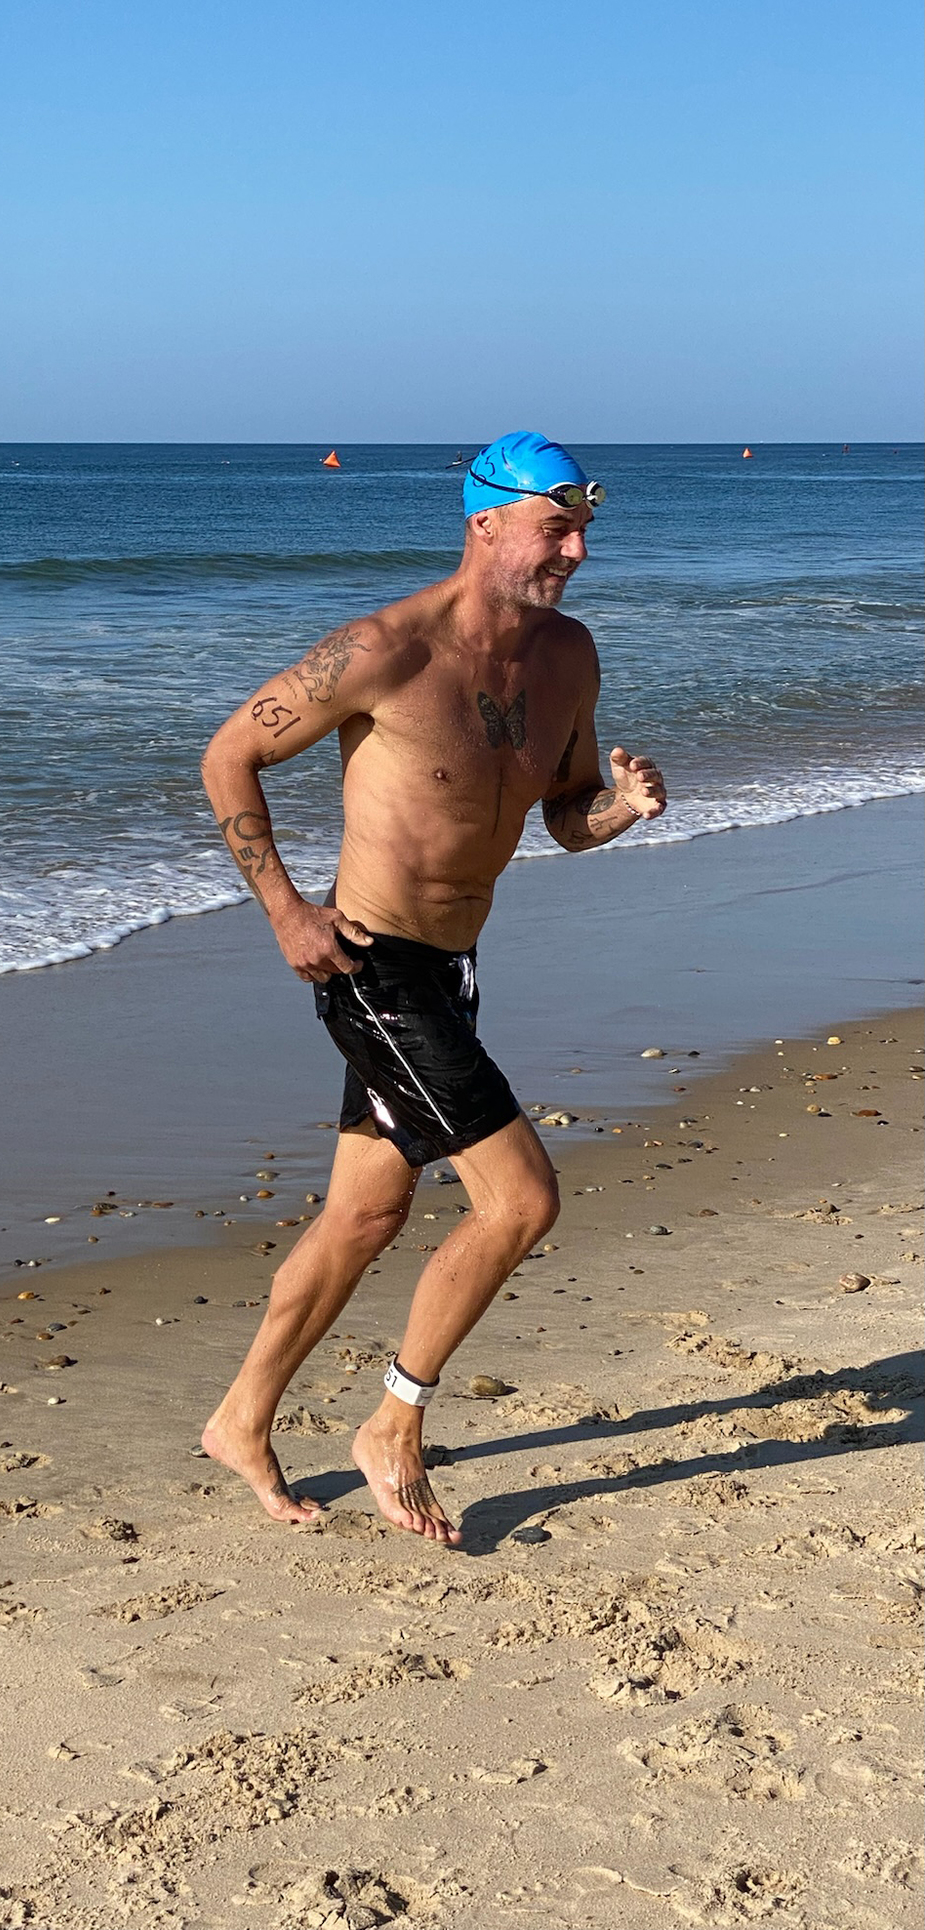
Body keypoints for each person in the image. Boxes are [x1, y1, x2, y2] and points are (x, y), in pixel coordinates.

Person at [199, 432, 666, 1542]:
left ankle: (241, 1416)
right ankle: (393, 1423)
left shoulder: (570, 658)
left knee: (365, 1211)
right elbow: (228, 755)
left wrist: (622, 808)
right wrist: (286, 912)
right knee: (522, 1199)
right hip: (371, 966)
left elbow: (560, 817)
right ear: (486, 521)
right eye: (557, 526)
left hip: (450, 970)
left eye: (583, 526)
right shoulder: (386, 651)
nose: (578, 549)